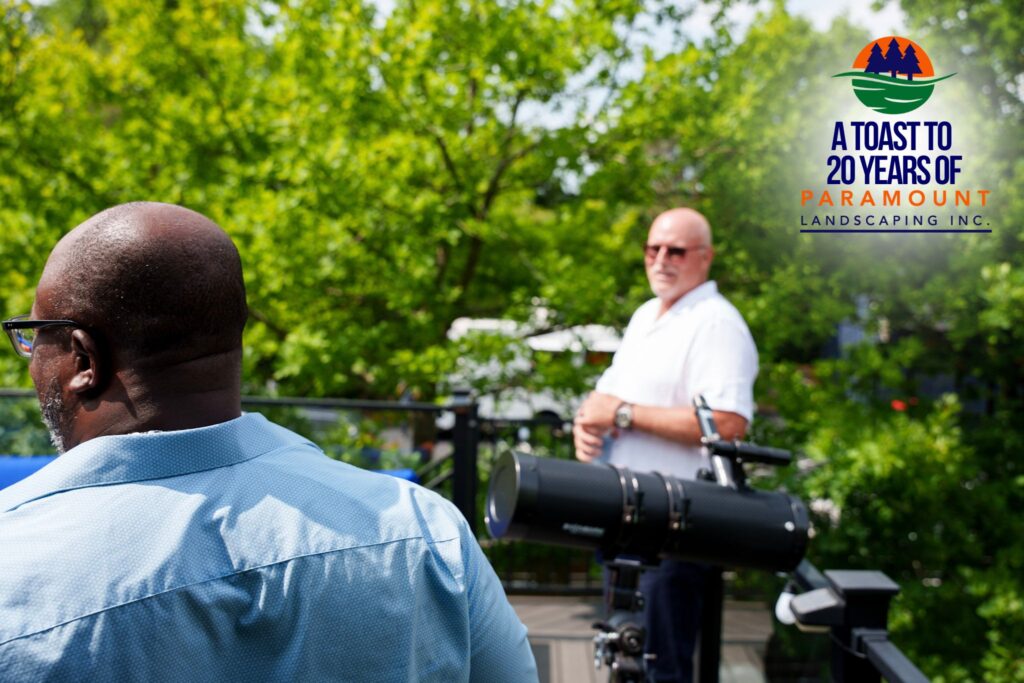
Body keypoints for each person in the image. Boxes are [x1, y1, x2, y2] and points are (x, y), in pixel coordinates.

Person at [0, 202, 537, 682]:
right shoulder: (424, 531)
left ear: (83, 359)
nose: (29, 359)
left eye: (33, 335)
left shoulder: (16, 566)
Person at [573, 207, 758, 683]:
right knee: (621, 656)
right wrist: (587, 426)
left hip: (672, 528)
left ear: (705, 257)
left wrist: (621, 415)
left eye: (675, 250)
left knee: (659, 669)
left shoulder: (716, 322)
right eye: (652, 249)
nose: (660, 260)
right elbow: (606, 398)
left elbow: (728, 422)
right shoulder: (645, 315)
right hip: (625, 520)